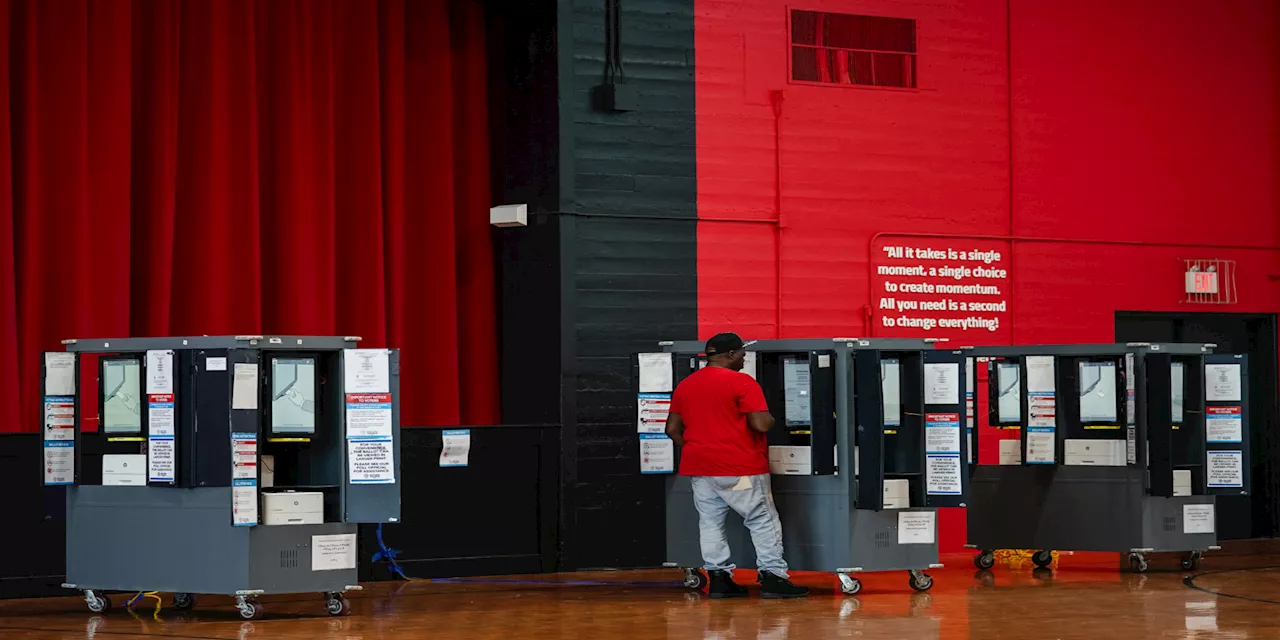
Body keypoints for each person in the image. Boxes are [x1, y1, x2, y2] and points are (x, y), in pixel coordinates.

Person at [665, 333, 808, 599]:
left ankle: (719, 579)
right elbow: (761, 425)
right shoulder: (742, 383)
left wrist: (697, 448)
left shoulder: (686, 385)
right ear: (730, 355)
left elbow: (672, 429)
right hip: (741, 468)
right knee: (762, 520)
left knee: (710, 523)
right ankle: (773, 577)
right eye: (742, 353)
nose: (744, 358)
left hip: (700, 467)